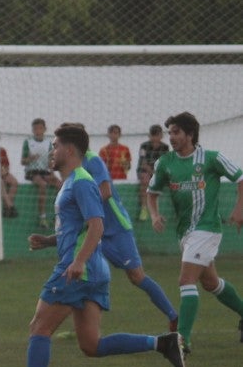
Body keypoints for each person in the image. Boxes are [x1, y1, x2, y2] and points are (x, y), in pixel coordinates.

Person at [0, 123, 185, 367]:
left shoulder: (82, 182)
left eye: (55, 146)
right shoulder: (73, 182)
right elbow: (78, 227)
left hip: (77, 270)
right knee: (91, 345)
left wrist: (78, 261)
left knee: (39, 327)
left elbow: (97, 225)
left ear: (70, 150)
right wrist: (49, 241)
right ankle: (163, 343)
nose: (52, 152)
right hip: (93, 270)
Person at [146, 110, 243, 353]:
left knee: (186, 280)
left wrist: (239, 209)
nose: (171, 137)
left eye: (176, 132)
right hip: (185, 233)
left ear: (190, 134)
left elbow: (241, 178)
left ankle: (182, 341)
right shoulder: (165, 163)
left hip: (207, 229)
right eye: (170, 133)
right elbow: (151, 193)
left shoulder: (211, 158)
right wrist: (155, 215)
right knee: (211, 283)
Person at [74, 132, 179, 329]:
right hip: (95, 230)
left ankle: (174, 316)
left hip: (116, 228)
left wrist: (82, 209)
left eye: (59, 144)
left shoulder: (92, 160)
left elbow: (105, 192)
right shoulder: (73, 167)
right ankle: (82, 328)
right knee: (81, 272)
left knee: (136, 277)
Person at [22, 118, 59, 228]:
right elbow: (23, 161)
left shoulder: (48, 143)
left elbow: (51, 160)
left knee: (61, 185)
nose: (38, 131)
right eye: (35, 129)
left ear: (44, 129)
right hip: (32, 172)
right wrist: (30, 159)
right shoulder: (28, 142)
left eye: (40, 128)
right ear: (32, 130)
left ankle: (58, 215)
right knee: (43, 185)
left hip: (44, 171)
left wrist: (52, 172)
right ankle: (42, 217)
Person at [136, 124, 170, 221]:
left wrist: (159, 173)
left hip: (159, 171)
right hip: (145, 171)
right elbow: (143, 163)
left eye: (157, 135)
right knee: (145, 180)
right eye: (153, 135)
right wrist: (153, 172)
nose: (155, 138)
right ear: (149, 136)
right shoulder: (144, 146)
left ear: (161, 136)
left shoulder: (165, 147)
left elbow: (166, 163)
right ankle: (144, 208)